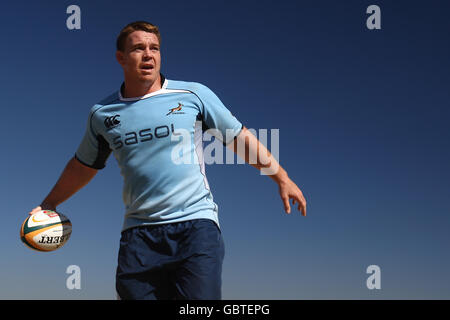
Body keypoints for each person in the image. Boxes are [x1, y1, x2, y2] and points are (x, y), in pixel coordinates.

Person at [29, 21, 307, 300]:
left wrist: (281, 177)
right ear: (121, 58)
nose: (148, 55)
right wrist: (50, 202)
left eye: (155, 48)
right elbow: (83, 165)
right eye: (138, 48)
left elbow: (239, 138)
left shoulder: (193, 95)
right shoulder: (102, 114)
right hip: (138, 235)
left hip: (195, 227)